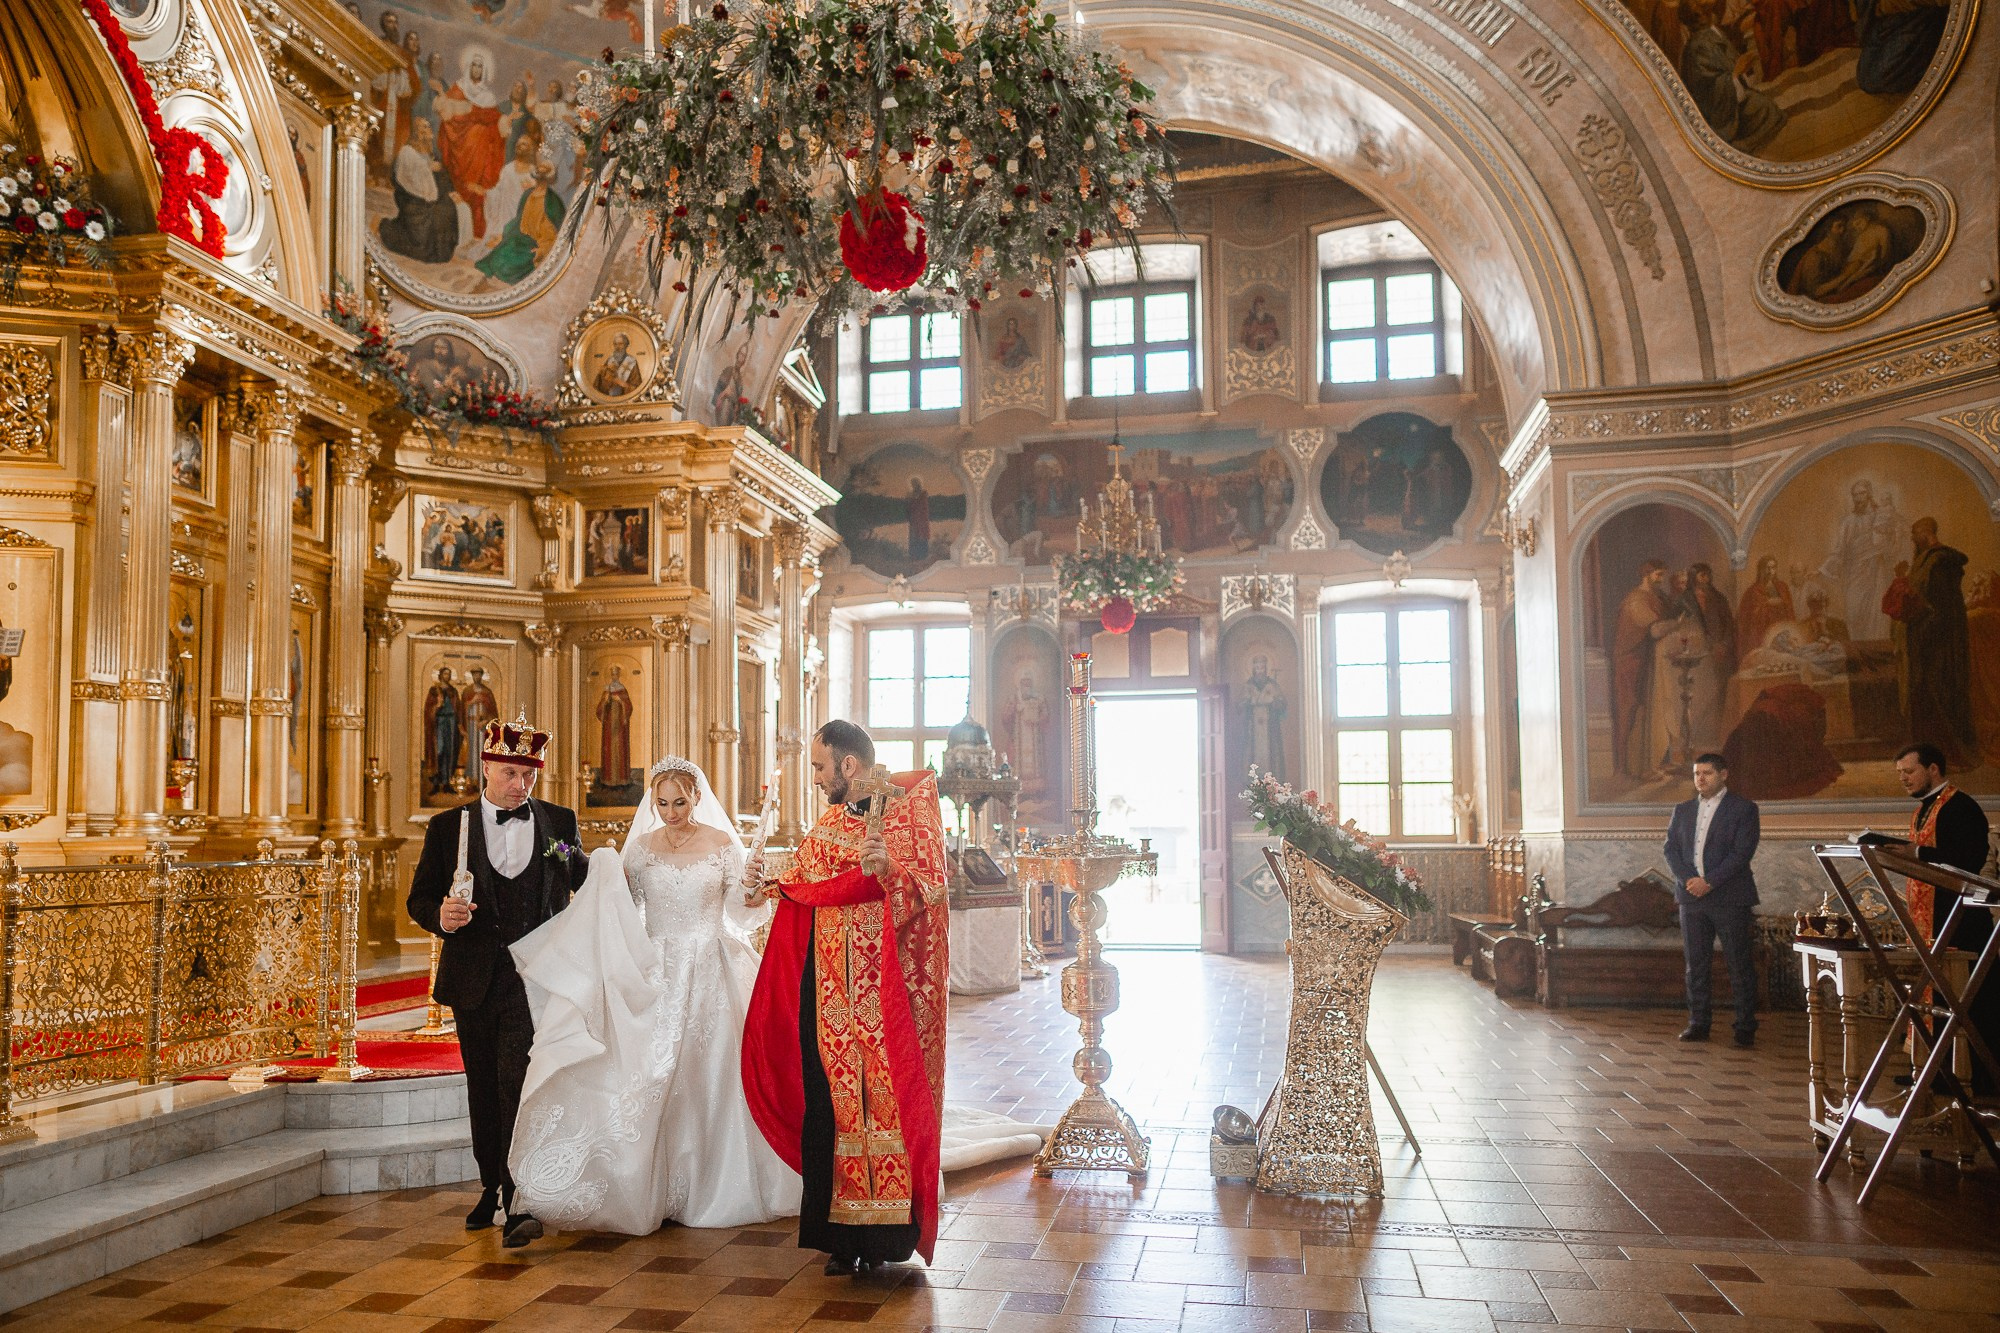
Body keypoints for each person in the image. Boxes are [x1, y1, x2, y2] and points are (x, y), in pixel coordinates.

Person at [506, 758, 800, 1231]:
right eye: (661, 802)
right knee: (652, 1073)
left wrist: (751, 889)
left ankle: (721, 1178)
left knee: (716, 1069)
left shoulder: (723, 844)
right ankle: (651, 1184)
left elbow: (740, 913)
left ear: (696, 797)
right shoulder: (640, 849)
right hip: (657, 968)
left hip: (713, 964)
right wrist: (600, 871)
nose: (670, 812)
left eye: (679, 802)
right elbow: (624, 909)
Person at [741, 720, 948, 1277]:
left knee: (883, 1100)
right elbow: (807, 878)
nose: (815, 778)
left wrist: (889, 873)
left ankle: (886, 1238)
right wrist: (769, 882)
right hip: (827, 986)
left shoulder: (906, 815)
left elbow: (930, 884)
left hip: (884, 995)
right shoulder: (829, 820)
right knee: (829, 1103)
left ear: (848, 766)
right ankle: (839, 1235)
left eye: (819, 766)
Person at [406, 712, 587, 1247]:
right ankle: (491, 1184)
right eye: (510, 774)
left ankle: (518, 1199)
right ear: (487, 766)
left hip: (537, 978)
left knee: (517, 1083)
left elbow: (584, 881)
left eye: (529, 776)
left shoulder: (559, 822)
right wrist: (441, 917)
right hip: (474, 979)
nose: (520, 786)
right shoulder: (448, 828)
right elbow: (419, 898)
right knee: (482, 1085)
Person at [1872, 743, 1996, 1093]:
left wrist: (1918, 852)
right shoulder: (1925, 809)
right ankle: (1932, 1069)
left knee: (1965, 1001)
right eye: (1900, 774)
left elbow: (1968, 860)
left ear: (1934, 770)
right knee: (1933, 998)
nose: (1904, 779)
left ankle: (1974, 1076)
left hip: (1958, 921)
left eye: (1909, 772)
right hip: (1929, 923)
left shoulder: (1961, 807)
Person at [1662, 752, 1761, 1046]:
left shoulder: (1743, 809)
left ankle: (1745, 1026)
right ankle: (1699, 1022)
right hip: (1691, 898)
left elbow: (1741, 853)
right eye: (1696, 774)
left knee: (1738, 963)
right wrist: (1688, 881)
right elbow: (1670, 850)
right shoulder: (1682, 810)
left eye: (1706, 773)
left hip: (1729, 897)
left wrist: (1710, 882)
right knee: (1696, 964)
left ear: (1723, 775)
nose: (1700, 779)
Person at [1894, 517, 1975, 765]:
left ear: (1925, 533)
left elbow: (1939, 608)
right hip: (1923, 642)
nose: (1911, 539)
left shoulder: (1939, 562)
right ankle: (1926, 756)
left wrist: (1921, 620)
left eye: (1914, 534)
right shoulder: (1925, 560)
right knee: (1922, 696)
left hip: (1936, 645)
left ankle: (1947, 756)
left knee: (1934, 695)